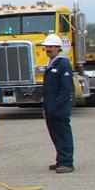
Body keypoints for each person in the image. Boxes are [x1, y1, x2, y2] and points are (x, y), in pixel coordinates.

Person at [40, 34, 76, 173]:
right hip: (51, 107)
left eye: (51, 47)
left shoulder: (63, 64)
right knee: (55, 134)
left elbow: (66, 89)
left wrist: (58, 106)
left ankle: (67, 163)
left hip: (59, 108)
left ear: (58, 48)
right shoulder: (52, 63)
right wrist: (46, 107)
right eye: (47, 47)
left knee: (63, 134)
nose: (48, 49)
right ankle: (61, 160)